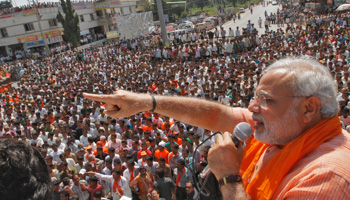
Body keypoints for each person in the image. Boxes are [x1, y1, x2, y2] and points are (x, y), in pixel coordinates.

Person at [84, 56, 350, 199]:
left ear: (309, 109)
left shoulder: (327, 177)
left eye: (266, 100)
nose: (253, 108)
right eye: (255, 97)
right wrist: (145, 102)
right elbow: (214, 115)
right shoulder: (285, 128)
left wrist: (229, 177)